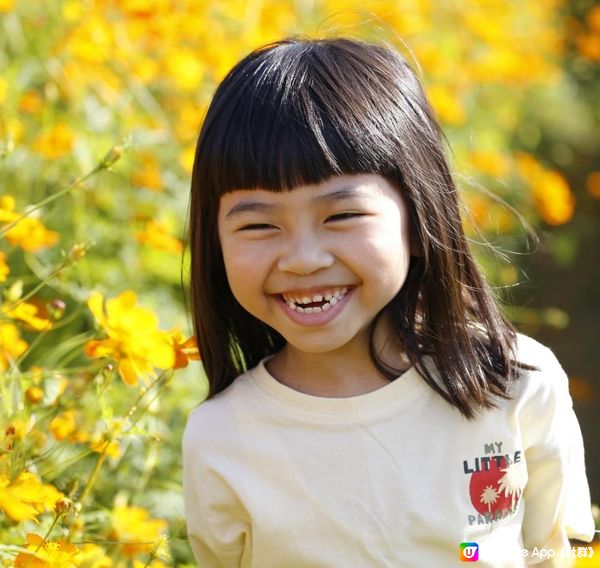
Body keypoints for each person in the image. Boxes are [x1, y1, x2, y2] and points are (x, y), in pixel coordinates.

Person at [182, 37, 595, 567]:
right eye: (260, 225)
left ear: (420, 217)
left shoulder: (516, 381)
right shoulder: (221, 437)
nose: (303, 259)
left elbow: (555, 553)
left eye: (342, 216)